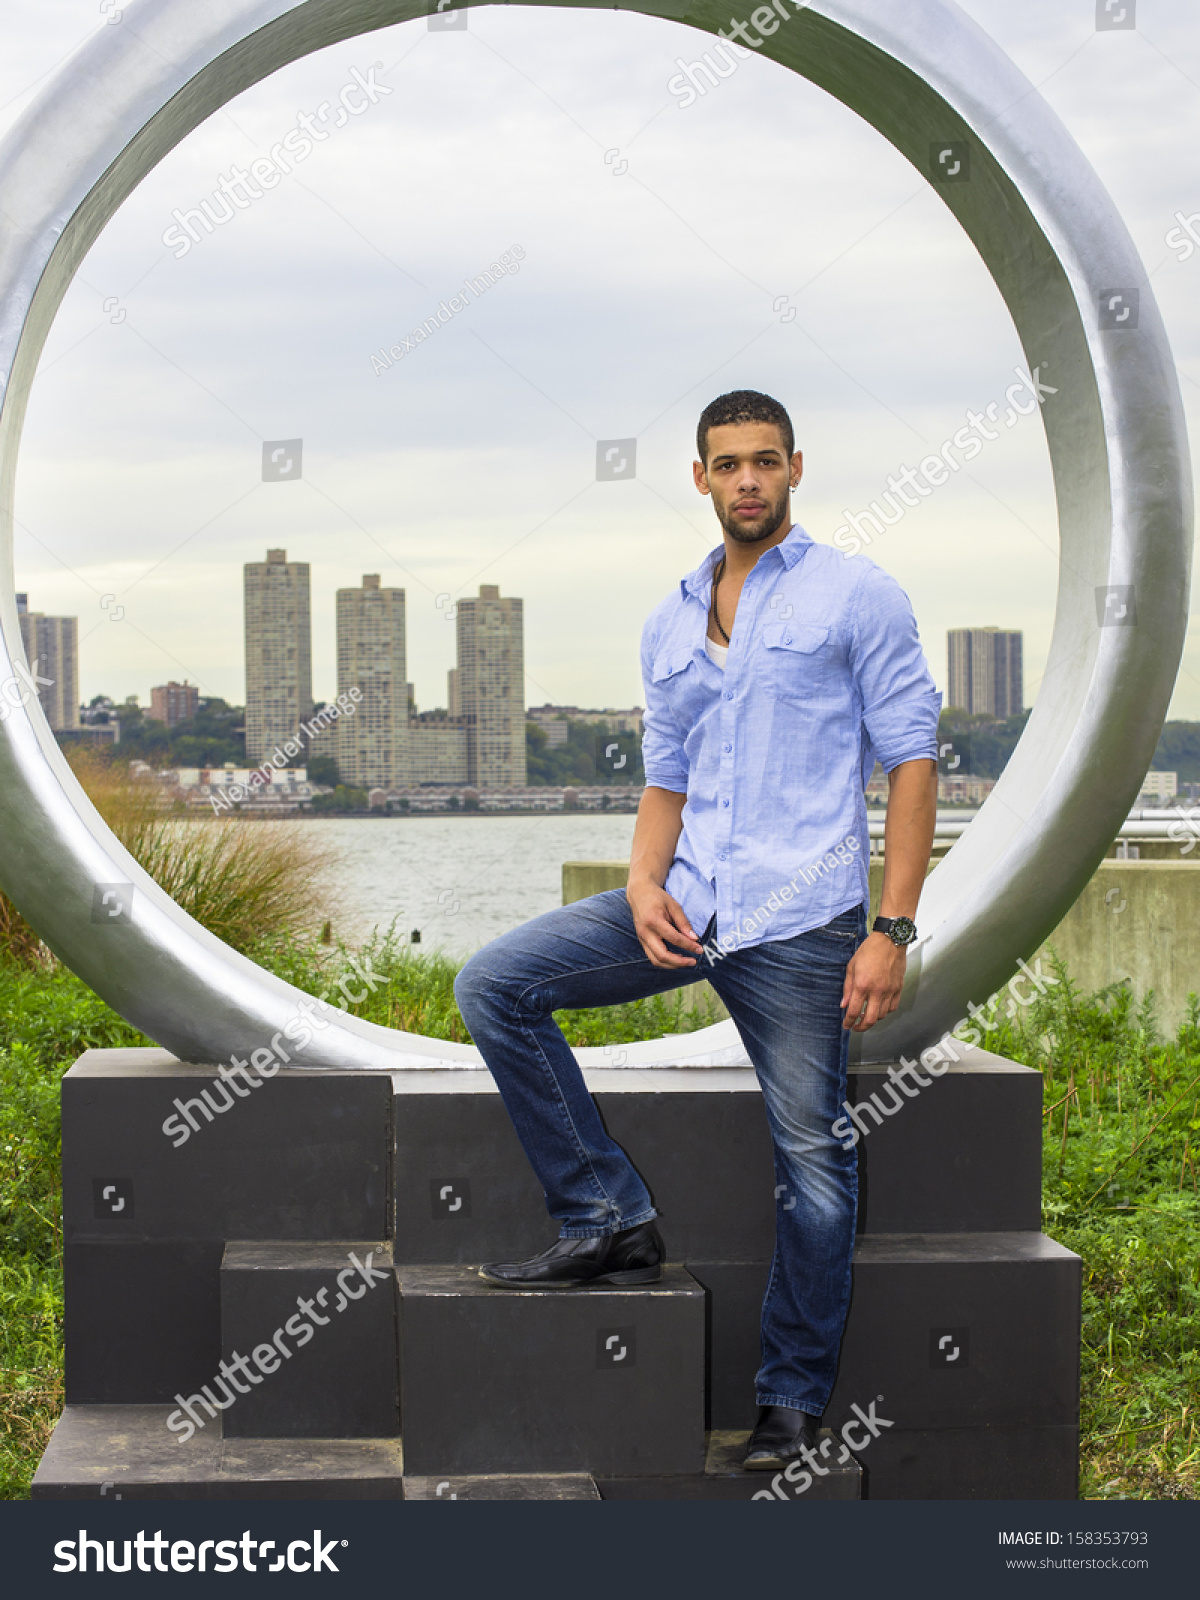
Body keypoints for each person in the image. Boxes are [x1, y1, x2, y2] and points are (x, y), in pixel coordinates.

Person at [454, 389, 939, 1470]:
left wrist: (891, 927)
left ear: (796, 469)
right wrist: (638, 884)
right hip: (684, 908)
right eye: (729, 464)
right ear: (701, 478)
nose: (749, 481)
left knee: (813, 1165)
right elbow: (665, 781)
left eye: (766, 461)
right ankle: (607, 1214)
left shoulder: (858, 595)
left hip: (806, 927)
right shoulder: (668, 621)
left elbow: (912, 762)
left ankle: (791, 1400)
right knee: (495, 985)